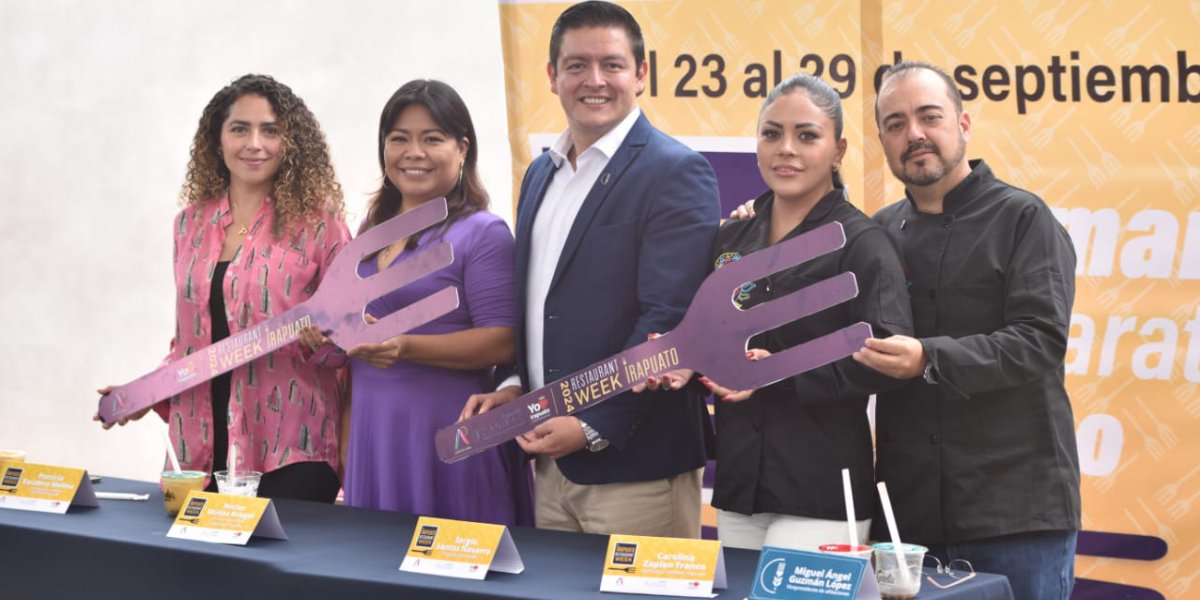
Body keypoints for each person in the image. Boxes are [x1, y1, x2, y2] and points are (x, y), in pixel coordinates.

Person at [460, 0, 720, 538]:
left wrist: (590, 424)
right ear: (552, 76)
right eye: (577, 65)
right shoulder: (540, 173)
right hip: (549, 460)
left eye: (612, 65)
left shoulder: (676, 172)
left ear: (641, 75)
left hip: (638, 465)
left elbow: (667, 320)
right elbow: (536, 304)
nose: (594, 80)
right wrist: (515, 383)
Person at [853, 60, 1079, 599]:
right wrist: (754, 227)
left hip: (1015, 514)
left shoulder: (1023, 218)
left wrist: (927, 358)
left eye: (929, 116)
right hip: (907, 519)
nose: (914, 134)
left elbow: (1040, 340)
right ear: (882, 140)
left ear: (964, 123)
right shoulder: (878, 233)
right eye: (895, 124)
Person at [98, 74, 352, 502]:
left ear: (291, 142)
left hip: (289, 446)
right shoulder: (189, 225)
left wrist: (324, 343)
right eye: (239, 129)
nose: (254, 143)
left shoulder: (320, 226)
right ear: (217, 140)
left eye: (270, 130)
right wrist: (144, 392)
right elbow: (193, 341)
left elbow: (349, 339)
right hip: (198, 446)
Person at [698, 74, 912, 551]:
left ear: (838, 150)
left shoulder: (863, 243)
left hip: (821, 491)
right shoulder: (731, 237)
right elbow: (707, 338)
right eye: (771, 134)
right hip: (739, 487)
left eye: (807, 135)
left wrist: (776, 371)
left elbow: (885, 356)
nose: (786, 149)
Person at [338, 80, 533, 526]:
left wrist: (406, 346)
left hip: (446, 431)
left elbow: (503, 341)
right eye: (399, 139)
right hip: (374, 430)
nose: (414, 153)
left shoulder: (482, 233)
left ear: (462, 149)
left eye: (432, 139)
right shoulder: (371, 231)